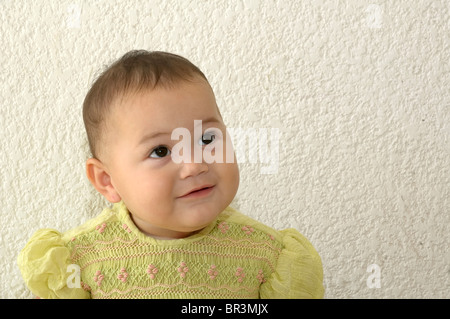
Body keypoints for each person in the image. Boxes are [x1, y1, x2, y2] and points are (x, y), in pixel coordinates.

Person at [17, 50, 324, 299]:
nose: (195, 165)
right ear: (107, 181)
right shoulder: (78, 264)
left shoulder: (268, 256)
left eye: (207, 140)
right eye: (161, 151)